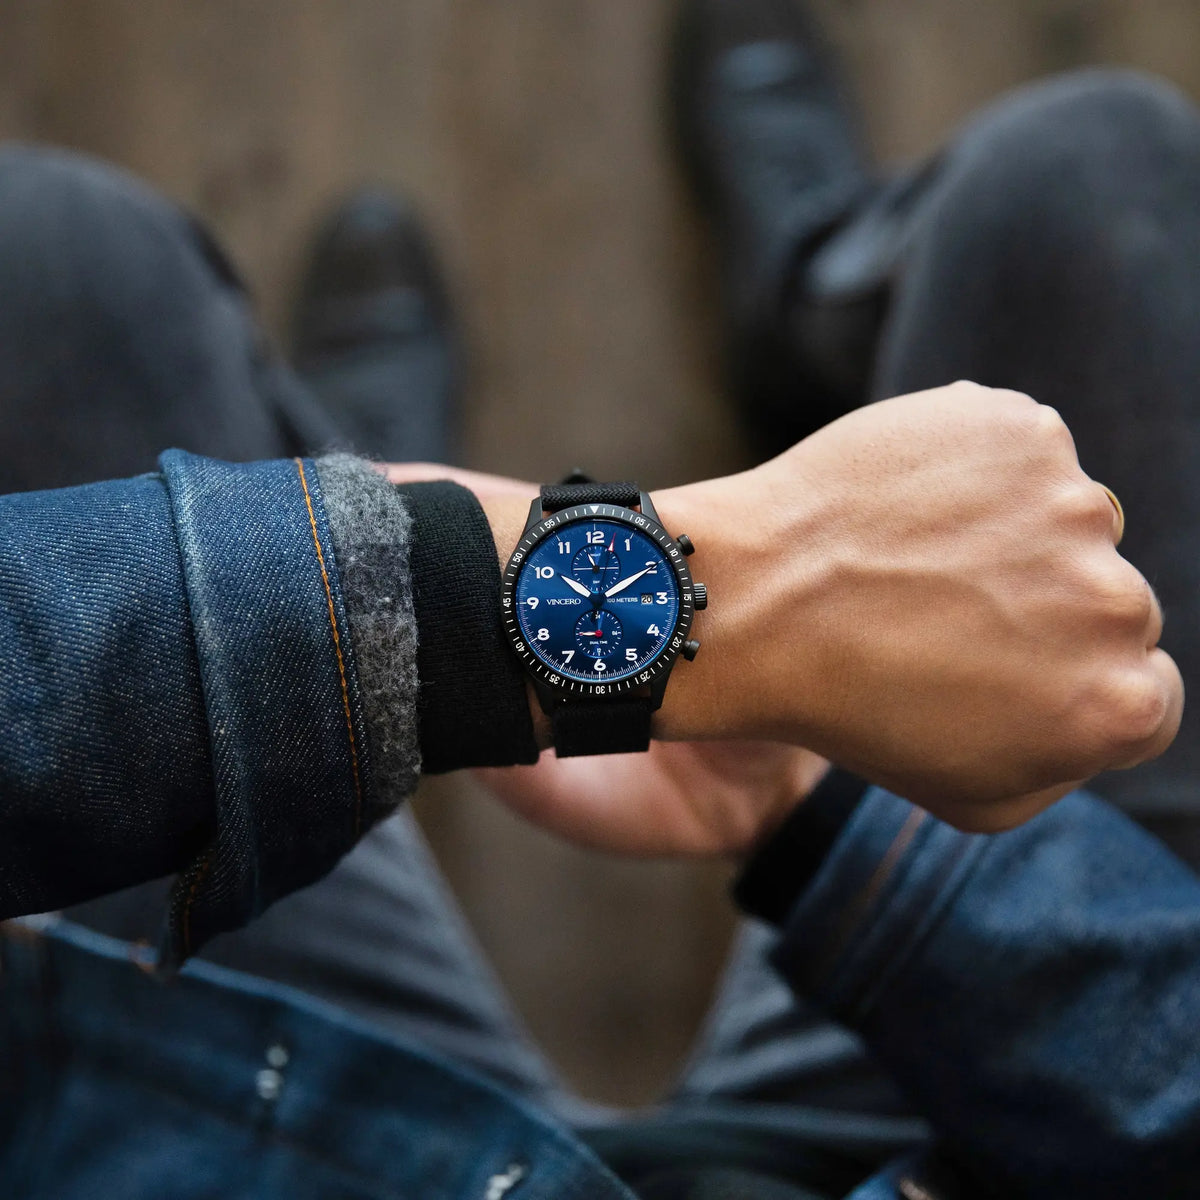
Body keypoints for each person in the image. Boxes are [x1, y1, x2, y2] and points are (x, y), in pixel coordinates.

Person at [0, 0, 1197, 1196]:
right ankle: (788, 315)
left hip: (231, 1140)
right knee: (1087, 174)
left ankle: (328, 492)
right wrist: (807, 790)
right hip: (999, 1112)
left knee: (55, 260)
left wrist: (434, 604)